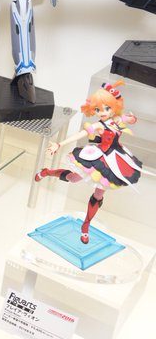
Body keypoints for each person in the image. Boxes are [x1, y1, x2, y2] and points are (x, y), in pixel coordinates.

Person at [35, 81, 145, 244]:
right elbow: (80, 135)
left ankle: (86, 225)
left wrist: (132, 118)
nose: (102, 112)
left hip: (115, 157)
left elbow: (130, 119)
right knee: (73, 179)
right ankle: (47, 172)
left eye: (106, 108)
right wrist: (59, 144)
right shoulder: (98, 125)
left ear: (113, 108)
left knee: (99, 193)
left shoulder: (117, 120)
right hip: (98, 157)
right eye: (98, 109)